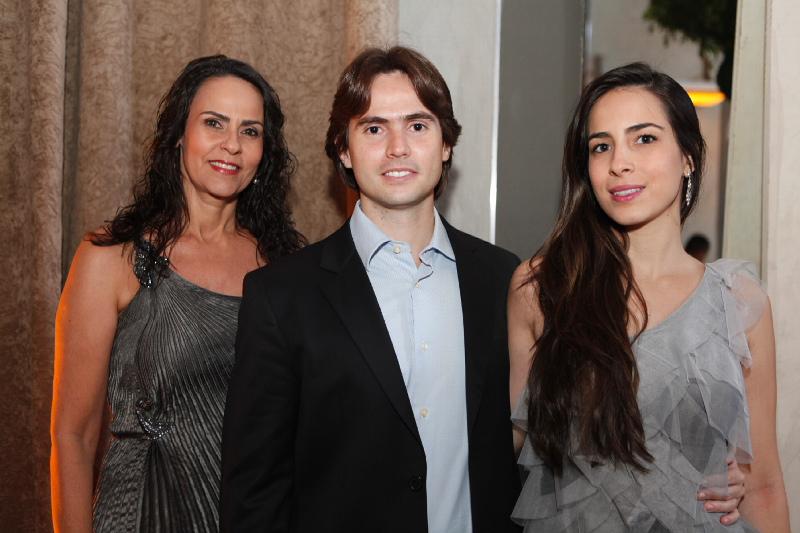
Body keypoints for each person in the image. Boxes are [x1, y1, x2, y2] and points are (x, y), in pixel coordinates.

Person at [220, 46, 522, 533]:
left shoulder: (502, 279)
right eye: (374, 128)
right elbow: (255, 492)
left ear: (446, 143)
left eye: (418, 125)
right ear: (344, 149)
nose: (398, 147)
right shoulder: (281, 297)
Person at [507, 63, 789, 532]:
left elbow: (763, 487)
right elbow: (510, 451)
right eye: (601, 146)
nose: (619, 162)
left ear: (688, 157)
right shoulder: (544, 290)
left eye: (644, 138)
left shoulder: (738, 303)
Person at [50, 55, 304, 533]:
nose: (232, 144)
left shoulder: (283, 269)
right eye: (214, 123)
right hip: (137, 515)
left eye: (250, 131)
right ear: (179, 135)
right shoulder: (112, 258)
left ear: (264, 152)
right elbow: (73, 436)